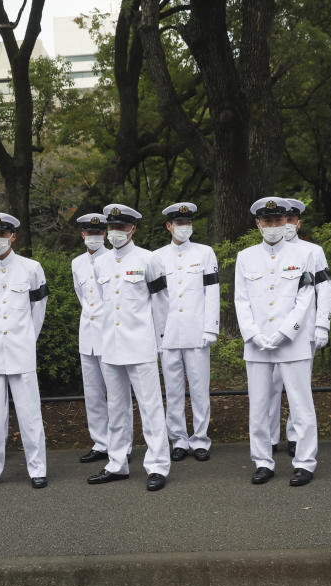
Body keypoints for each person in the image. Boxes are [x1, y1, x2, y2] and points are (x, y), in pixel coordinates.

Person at [86, 204, 171, 491]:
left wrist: (159, 342)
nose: (115, 233)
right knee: (116, 407)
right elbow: (101, 305)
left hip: (141, 344)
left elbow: (161, 304)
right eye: (112, 228)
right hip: (110, 345)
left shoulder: (149, 259)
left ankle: (158, 465)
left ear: (133, 229)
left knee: (150, 407)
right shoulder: (101, 263)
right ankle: (116, 463)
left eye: (121, 228)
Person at [235, 197, 319, 487]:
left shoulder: (303, 255)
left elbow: (306, 297)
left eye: (278, 221)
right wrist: (253, 334)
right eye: (267, 221)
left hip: (292, 342)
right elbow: (241, 300)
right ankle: (262, 461)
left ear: (287, 222)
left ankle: (305, 462)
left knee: (301, 405)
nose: (273, 226)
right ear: (258, 223)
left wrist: (287, 331)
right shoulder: (245, 257)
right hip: (257, 344)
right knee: (258, 407)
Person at [0, 213, 50, 490]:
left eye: (2, 234)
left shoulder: (31, 268)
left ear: (13, 236)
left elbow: (38, 311)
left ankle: (37, 468)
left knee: (30, 414)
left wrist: (27, 338)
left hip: (22, 350)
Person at [265, 198, 331, 458]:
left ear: (297, 222)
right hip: (271, 332)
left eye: (292, 220)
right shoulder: (263, 252)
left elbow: (323, 288)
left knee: (298, 386)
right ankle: (269, 436)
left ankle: (295, 435)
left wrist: (322, 324)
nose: (287, 224)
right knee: (269, 385)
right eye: (284, 219)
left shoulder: (312, 251)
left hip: (302, 331)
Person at [153, 202, 220, 461]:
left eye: (188, 223)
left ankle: (200, 439)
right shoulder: (156, 257)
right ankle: (179, 439)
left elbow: (211, 292)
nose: (184, 227)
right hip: (168, 333)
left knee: (200, 387)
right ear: (169, 226)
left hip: (197, 331)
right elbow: (156, 300)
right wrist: (157, 334)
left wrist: (211, 328)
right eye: (179, 223)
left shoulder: (205, 253)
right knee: (172, 389)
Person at [72, 213, 133, 463]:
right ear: (82, 234)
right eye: (90, 234)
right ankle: (100, 442)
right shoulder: (76, 263)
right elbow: (82, 297)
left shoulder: (113, 258)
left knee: (118, 394)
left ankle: (123, 445)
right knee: (93, 393)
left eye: (99, 234)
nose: (94, 238)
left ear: (105, 235)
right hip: (88, 334)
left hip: (111, 335)